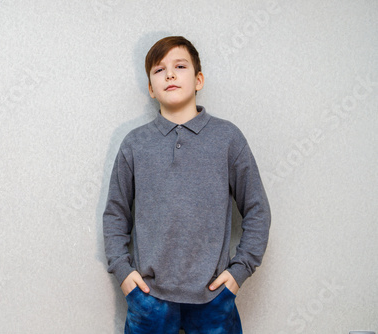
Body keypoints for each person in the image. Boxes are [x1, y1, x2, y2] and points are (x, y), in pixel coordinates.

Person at [103, 36, 271, 334]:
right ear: (151, 89)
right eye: (159, 70)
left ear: (198, 79)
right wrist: (123, 270)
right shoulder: (135, 143)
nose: (169, 74)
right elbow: (116, 212)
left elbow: (257, 209)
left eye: (180, 66)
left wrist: (239, 271)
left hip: (214, 296)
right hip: (148, 298)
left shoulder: (228, 138)